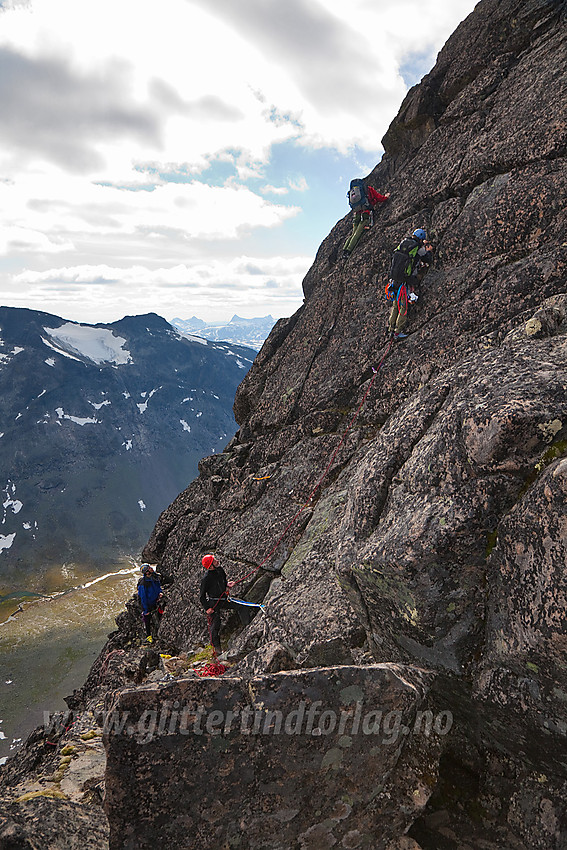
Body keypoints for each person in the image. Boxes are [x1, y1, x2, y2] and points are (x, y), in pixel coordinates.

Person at [199, 554, 252, 655]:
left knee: (242, 605)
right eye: (214, 561)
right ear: (210, 566)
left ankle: (248, 628)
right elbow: (202, 596)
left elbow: (222, 581)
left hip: (223, 599)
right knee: (215, 626)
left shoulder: (220, 570)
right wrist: (207, 608)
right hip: (214, 603)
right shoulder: (206, 579)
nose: (217, 561)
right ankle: (218, 651)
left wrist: (227, 585)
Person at [387, 228, 434, 340]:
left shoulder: (403, 243)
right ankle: (397, 332)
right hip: (405, 279)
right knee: (403, 306)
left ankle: (390, 328)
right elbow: (427, 259)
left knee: (395, 305)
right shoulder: (417, 247)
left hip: (395, 278)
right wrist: (429, 250)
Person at [343, 181, 390, 256]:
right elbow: (378, 197)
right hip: (365, 213)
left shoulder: (355, 192)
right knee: (357, 233)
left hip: (357, 215)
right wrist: (386, 197)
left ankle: (344, 250)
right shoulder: (368, 189)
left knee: (353, 233)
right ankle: (348, 251)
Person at [137, 563, 164, 643]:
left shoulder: (154, 577)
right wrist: (145, 610)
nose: (151, 568)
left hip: (155, 600)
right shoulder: (143, 583)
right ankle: (148, 636)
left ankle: (159, 630)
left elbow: (158, 586)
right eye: (149, 568)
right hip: (148, 604)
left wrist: (160, 592)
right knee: (147, 619)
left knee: (159, 614)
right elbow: (143, 597)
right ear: (147, 572)